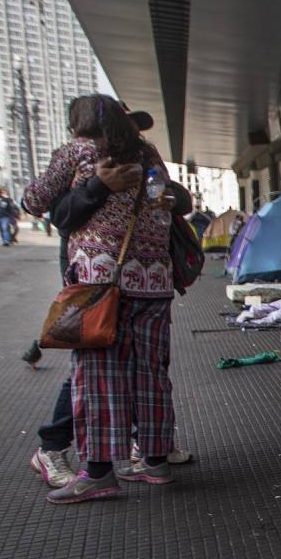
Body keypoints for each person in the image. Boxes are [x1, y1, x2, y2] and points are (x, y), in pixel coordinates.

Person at [23, 94, 176, 503]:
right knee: (151, 376)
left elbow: (34, 201)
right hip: (155, 280)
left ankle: (99, 472)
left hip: (102, 283)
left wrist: (93, 185)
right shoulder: (147, 153)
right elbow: (169, 199)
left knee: (99, 380)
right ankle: (155, 461)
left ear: (79, 122)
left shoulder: (78, 152)